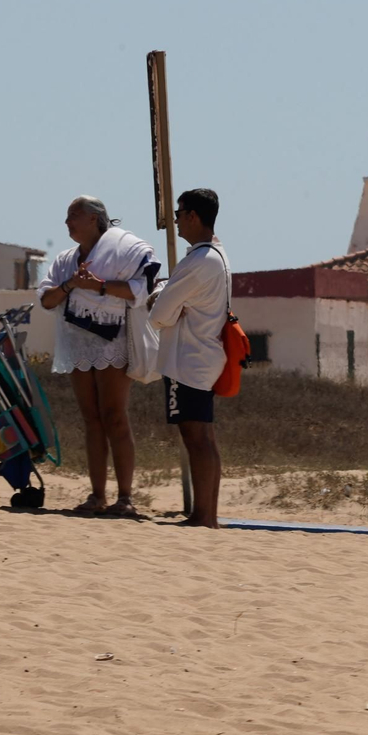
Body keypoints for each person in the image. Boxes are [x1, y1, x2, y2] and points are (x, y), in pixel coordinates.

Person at [36, 196, 155, 516]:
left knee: (114, 416)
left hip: (111, 341)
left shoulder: (123, 250)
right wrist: (72, 284)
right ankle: (97, 495)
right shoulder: (64, 261)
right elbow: (46, 300)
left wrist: (99, 285)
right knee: (91, 419)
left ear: (94, 219)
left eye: (74, 214)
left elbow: (139, 289)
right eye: (67, 215)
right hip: (77, 344)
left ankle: (126, 498)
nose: (67, 221)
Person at [148, 188, 228, 529]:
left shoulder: (197, 261)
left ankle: (203, 515)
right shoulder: (216, 255)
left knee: (196, 438)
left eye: (180, 213)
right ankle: (206, 514)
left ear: (194, 215)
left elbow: (160, 314)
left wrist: (160, 297)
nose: (176, 220)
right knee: (203, 438)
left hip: (188, 359)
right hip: (203, 356)